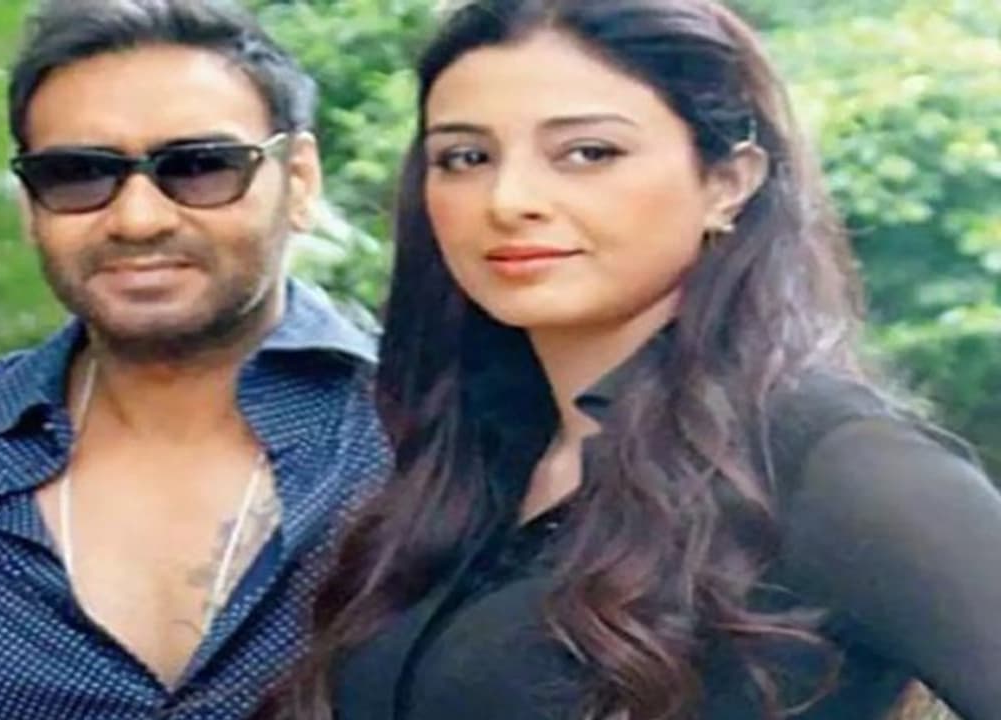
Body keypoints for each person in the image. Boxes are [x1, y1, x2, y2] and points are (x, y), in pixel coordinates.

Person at [262, 1, 1001, 719]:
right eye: (466, 157)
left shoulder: (830, 462)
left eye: (588, 153)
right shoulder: (470, 461)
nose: (508, 199)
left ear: (728, 182)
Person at [0, 1, 387, 718]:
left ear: (299, 180)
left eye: (200, 168)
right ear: (30, 203)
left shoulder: (433, 436)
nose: (138, 219)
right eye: (79, 174)